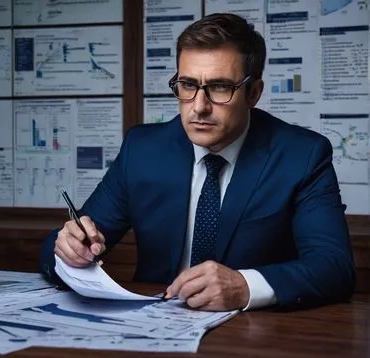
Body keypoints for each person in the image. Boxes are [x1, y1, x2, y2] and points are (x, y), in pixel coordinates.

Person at [40, 13, 355, 311]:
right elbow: (67, 243)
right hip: (151, 325)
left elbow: (334, 267)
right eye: (188, 85)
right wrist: (67, 250)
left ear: (254, 93)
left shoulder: (303, 155)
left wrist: (246, 287)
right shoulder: (143, 149)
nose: (199, 107)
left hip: (253, 333)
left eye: (219, 87)